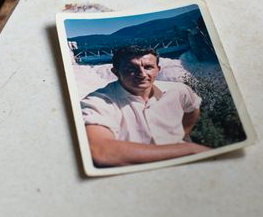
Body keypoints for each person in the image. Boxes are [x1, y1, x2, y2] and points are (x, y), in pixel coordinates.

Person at [81, 46, 210, 167]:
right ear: (116, 72)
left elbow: (192, 108)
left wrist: (183, 135)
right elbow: (100, 150)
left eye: (148, 67)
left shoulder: (178, 91)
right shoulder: (99, 102)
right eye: (131, 69)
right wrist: (188, 149)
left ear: (158, 69)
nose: (142, 74)